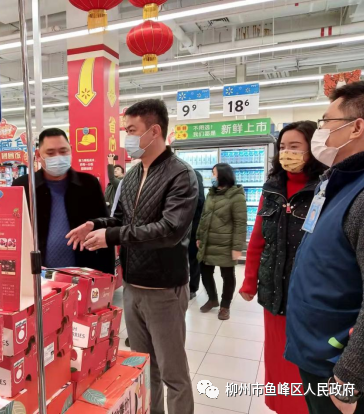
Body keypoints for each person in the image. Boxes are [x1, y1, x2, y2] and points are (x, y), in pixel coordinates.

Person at [66, 99, 198, 414]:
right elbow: (122, 220)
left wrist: (111, 236)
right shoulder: (132, 175)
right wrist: (96, 225)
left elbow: (169, 230)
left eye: (132, 130)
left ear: (154, 131)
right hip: (132, 286)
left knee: (173, 373)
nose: (126, 137)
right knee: (143, 365)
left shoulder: (181, 175)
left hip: (164, 289)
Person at [285, 81, 364, 414]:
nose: (320, 131)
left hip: (340, 367)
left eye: (326, 122)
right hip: (319, 353)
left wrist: (350, 377)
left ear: (357, 128)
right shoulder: (338, 183)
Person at [240, 121, 326, 414]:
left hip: (310, 297)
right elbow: (258, 239)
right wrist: (249, 281)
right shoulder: (272, 188)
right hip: (274, 293)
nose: (287, 153)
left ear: (313, 149)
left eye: (295, 146)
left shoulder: (326, 188)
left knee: (304, 363)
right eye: (283, 147)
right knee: (278, 357)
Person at [12, 128, 115, 274]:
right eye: (50, 153)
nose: (58, 157)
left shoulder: (88, 184)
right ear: (38, 155)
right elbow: (14, 231)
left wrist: (108, 275)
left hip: (83, 273)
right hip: (37, 274)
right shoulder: (24, 185)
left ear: (71, 150)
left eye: (63, 151)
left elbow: (105, 225)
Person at [196, 163, 247, 320]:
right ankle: (212, 299)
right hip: (208, 242)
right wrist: (199, 236)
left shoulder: (236, 196)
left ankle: (225, 306)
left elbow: (240, 223)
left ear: (223, 175)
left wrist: (237, 247)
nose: (212, 176)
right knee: (205, 272)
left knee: (227, 275)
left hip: (226, 243)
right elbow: (204, 217)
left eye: (214, 173)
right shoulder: (211, 194)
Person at [188, 170, 205, 300]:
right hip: (182, 228)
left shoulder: (199, 197)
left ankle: (193, 288)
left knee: (193, 259)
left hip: (194, 228)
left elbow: (199, 202)